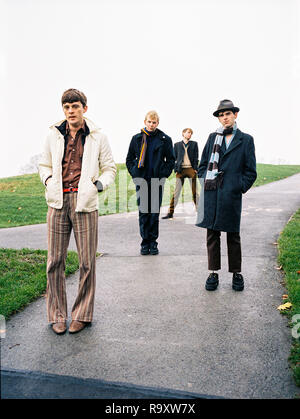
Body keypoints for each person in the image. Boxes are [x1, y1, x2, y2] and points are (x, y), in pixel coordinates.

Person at [39, 88, 116, 334]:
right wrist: (49, 181)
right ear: (64, 110)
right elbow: (43, 164)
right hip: (57, 202)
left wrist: (97, 186)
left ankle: (81, 314)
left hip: (84, 203)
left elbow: (110, 168)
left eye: (75, 106)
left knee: (86, 262)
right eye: (67, 107)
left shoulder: (97, 137)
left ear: (84, 107)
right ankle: (57, 316)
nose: (71, 111)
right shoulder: (53, 135)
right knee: (55, 261)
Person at [196, 99, 257, 291]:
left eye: (227, 114)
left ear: (235, 115)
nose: (224, 118)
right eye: (221, 115)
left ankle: (236, 273)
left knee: (233, 235)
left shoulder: (246, 140)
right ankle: (213, 273)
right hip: (212, 194)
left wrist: (238, 186)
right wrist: (205, 180)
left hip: (231, 195)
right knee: (212, 234)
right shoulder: (212, 137)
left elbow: (251, 172)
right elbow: (203, 165)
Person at [126, 110, 175, 255]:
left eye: (154, 122)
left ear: (157, 123)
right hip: (141, 179)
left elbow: (171, 160)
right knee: (143, 212)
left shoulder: (165, 139)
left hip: (156, 180)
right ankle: (144, 242)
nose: (151, 125)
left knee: (154, 212)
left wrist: (163, 173)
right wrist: (134, 172)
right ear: (145, 122)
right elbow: (129, 159)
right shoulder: (136, 138)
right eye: (149, 122)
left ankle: (153, 243)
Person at [162, 128, 199, 219]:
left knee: (195, 192)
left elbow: (196, 156)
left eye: (191, 133)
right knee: (176, 192)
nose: (190, 134)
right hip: (180, 170)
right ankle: (170, 213)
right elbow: (173, 158)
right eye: (188, 132)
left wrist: (195, 168)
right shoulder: (177, 145)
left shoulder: (194, 144)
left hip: (191, 169)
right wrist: (175, 169)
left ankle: (200, 211)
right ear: (183, 133)